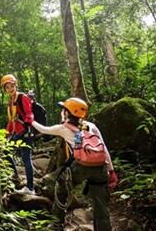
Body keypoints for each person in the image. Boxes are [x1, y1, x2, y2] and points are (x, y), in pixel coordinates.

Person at [31, 97, 118, 231]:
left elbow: (43, 129)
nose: (62, 112)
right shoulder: (91, 126)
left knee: (61, 187)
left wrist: (30, 120)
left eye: (63, 110)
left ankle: (56, 224)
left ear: (67, 113)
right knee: (100, 203)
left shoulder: (63, 128)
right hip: (100, 167)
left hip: (81, 166)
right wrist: (111, 171)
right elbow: (104, 148)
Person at [0, 74, 35, 195]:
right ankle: (16, 176)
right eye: (7, 87)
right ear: (5, 89)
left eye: (12, 85)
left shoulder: (22, 97)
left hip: (24, 133)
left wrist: (26, 125)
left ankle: (30, 188)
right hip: (16, 132)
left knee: (26, 159)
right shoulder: (10, 101)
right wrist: (5, 134)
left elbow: (29, 114)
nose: (10, 88)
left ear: (15, 85)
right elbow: (11, 120)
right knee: (5, 151)